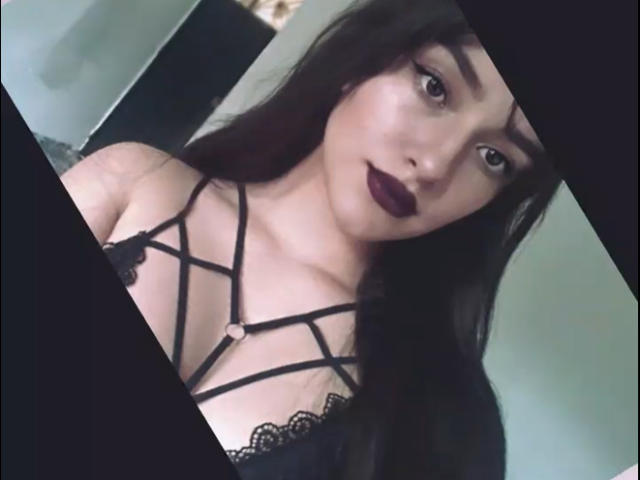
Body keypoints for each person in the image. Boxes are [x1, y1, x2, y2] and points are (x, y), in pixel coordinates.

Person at [61, 0, 561, 478]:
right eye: (435, 87)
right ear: (366, 56)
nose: (433, 165)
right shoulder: (132, 180)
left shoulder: (444, 421)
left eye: (494, 158)